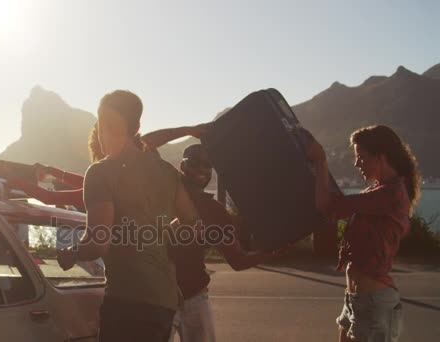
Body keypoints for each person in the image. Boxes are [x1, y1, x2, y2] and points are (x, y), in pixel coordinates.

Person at [57, 90, 202, 342]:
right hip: (164, 300)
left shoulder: (101, 172)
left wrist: (71, 252)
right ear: (137, 127)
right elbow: (192, 222)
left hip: (128, 299)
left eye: (106, 125)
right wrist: (155, 232)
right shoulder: (166, 171)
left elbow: (97, 243)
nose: (103, 133)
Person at [141, 125, 281, 342]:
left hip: (195, 298)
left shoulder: (216, 211)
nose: (202, 169)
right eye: (195, 163)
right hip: (158, 298)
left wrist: (272, 250)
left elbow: (237, 260)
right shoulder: (166, 186)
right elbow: (143, 143)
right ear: (182, 166)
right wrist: (190, 130)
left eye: (208, 165)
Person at [304, 125, 420, 342]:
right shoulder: (377, 191)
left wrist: (321, 162)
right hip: (357, 299)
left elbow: (328, 206)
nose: (357, 164)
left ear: (381, 157)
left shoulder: (390, 194)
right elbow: (333, 207)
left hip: (373, 303)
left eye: (362, 157)